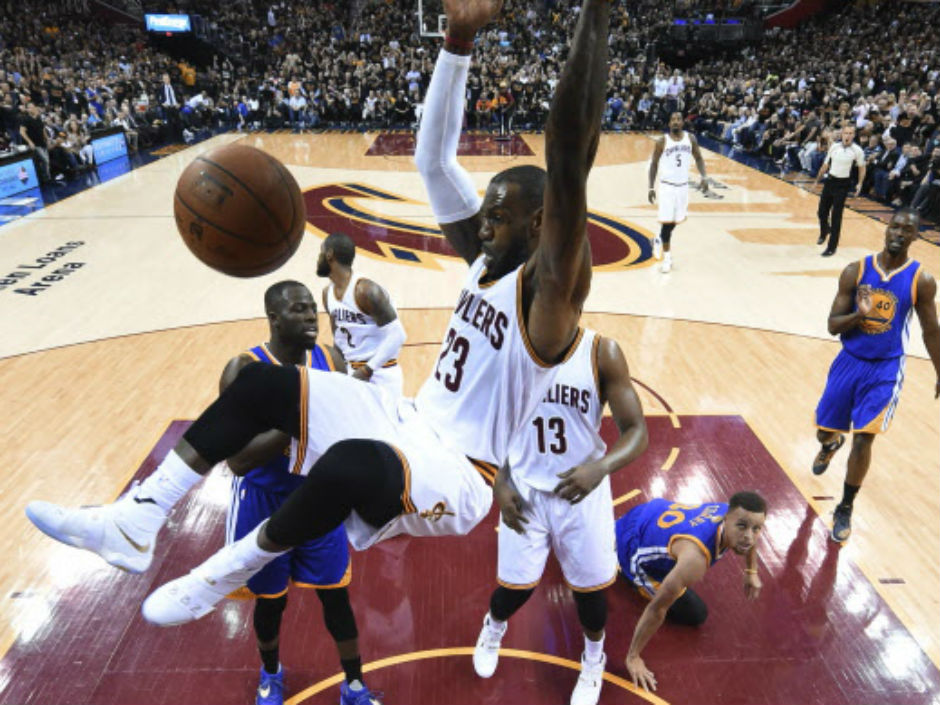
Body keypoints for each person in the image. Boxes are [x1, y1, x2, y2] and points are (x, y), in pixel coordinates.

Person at [25, 4, 612, 694]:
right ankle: (136, 518)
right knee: (258, 386)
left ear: (543, 224)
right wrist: (456, 42)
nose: (482, 223)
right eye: (485, 212)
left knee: (346, 464)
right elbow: (431, 161)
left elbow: (569, 158)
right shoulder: (486, 261)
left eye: (500, 214)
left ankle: (222, 572)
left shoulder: (551, 290)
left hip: (465, 473)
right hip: (411, 419)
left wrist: (595, 14)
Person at [218, 281, 377, 705]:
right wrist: (298, 418)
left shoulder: (331, 359)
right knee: (271, 602)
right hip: (263, 502)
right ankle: (271, 674)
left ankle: (355, 686)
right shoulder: (244, 370)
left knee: (336, 596)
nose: (311, 316)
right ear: (273, 317)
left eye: (313, 309)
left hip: (318, 499)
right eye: (298, 310)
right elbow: (236, 460)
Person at [472, 330, 648, 705]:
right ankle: (493, 628)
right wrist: (499, 482)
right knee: (513, 590)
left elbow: (637, 431)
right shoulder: (510, 350)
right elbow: (492, 426)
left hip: (582, 493)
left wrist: (602, 467)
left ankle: (593, 660)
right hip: (524, 491)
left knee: (592, 595)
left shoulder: (602, 353)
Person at [812, 208, 939, 542]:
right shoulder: (856, 270)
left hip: (885, 368)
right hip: (849, 360)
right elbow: (831, 326)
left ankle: (845, 506)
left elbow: (931, 331)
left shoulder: (921, 280)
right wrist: (860, 314)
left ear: (915, 236)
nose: (898, 233)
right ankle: (830, 442)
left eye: (906, 229)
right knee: (824, 430)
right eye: (894, 226)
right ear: (886, 228)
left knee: (865, 437)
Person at [618, 492, 767, 692]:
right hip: (631, 544)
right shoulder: (695, 559)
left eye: (757, 528)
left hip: (649, 513)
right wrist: (633, 657)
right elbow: (657, 609)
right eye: (742, 527)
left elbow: (749, 535)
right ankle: (619, 564)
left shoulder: (731, 511)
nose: (749, 536)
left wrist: (751, 571)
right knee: (695, 613)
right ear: (726, 519)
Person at [317, 232, 406, 400]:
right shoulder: (327, 294)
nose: (318, 258)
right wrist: (339, 372)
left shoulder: (365, 290)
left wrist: (367, 370)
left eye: (320, 252)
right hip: (353, 373)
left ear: (329, 255)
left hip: (381, 372)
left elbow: (398, 335)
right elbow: (339, 338)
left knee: (385, 426)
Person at [647, 111, 709, 273]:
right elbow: (653, 164)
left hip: (682, 187)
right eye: (672, 119)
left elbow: (699, 158)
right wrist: (651, 187)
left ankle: (658, 241)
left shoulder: (691, 139)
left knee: (674, 221)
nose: (675, 122)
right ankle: (667, 258)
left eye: (678, 119)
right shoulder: (662, 141)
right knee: (667, 224)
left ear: (683, 122)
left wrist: (704, 176)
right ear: (669, 123)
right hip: (667, 187)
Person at [814, 123, 866, 257]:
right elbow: (826, 164)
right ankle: (824, 231)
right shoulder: (834, 146)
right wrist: (817, 179)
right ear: (842, 134)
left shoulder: (857, 150)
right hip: (830, 181)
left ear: (853, 135)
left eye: (850, 133)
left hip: (843, 184)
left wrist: (860, 183)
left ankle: (831, 247)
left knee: (836, 216)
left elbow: (862, 167)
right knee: (821, 212)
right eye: (846, 133)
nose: (847, 135)